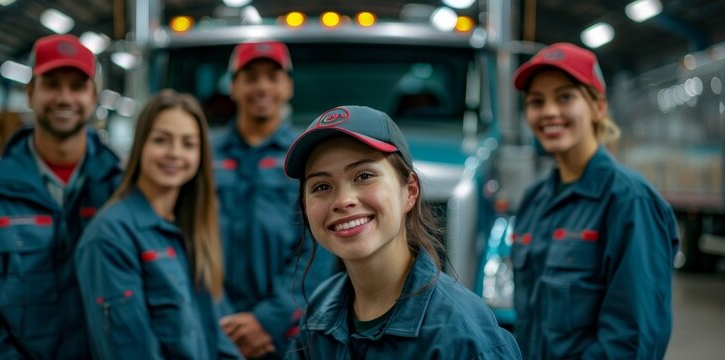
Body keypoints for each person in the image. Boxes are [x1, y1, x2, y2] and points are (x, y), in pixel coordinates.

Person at [0, 34, 123, 359]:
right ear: (29, 93)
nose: (65, 98)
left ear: (93, 98)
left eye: (77, 86)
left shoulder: (120, 188)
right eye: (52, 84)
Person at [284, 105, 521, 359]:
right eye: (321, 186)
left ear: (410, 191)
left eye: (364, 175)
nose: (343, 200)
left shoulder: (464, 338)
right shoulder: (321, 313)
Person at [510, 42, 679, 359]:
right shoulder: (534, 200)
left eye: (565, 97)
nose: (549, 112)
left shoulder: (629, 200)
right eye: (536, 101)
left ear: (598, 107)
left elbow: (634, 340)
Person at [75, 90, 240, 359]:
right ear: (140, 145)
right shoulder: (110, 237)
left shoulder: (192, 228)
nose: (175, 153)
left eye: (188, 143)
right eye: (161, 140)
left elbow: (217, 334)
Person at [213, 39, 333, 359]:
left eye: (273, 76)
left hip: (283, 334)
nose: (262, 87)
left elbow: (317, 248)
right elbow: (188, 242)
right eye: (251, 77)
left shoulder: (306, 158)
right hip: (213, 327)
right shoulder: (202, 156)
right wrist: (220, 319)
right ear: (234, 86)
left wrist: (268, 321)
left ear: (288, 87)